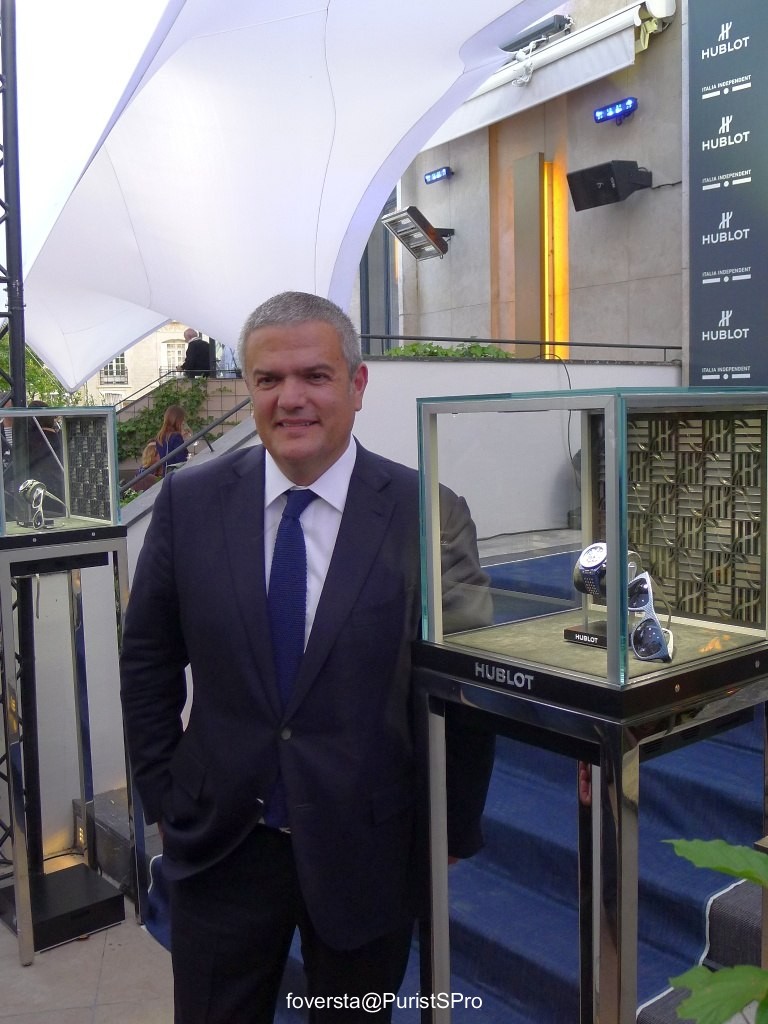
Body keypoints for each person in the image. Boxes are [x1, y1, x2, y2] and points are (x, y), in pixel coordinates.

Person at [120, 291, 495, 1023]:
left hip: (368, 849)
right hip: (221, 845)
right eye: (269, 379)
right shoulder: (189, 503)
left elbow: (465, 682)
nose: (290, 398)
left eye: (315, 376)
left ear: (357, 384)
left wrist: (452, 823)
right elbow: (147, 659)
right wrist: (163, 793)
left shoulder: (428, 512)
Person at [155, 405, 189, 476]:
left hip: (166, 474)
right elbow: (181, 459)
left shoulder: (160, 436)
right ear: (178, 420)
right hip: (177, 475)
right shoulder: (176, 436)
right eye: (182, 420)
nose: (183, 423)